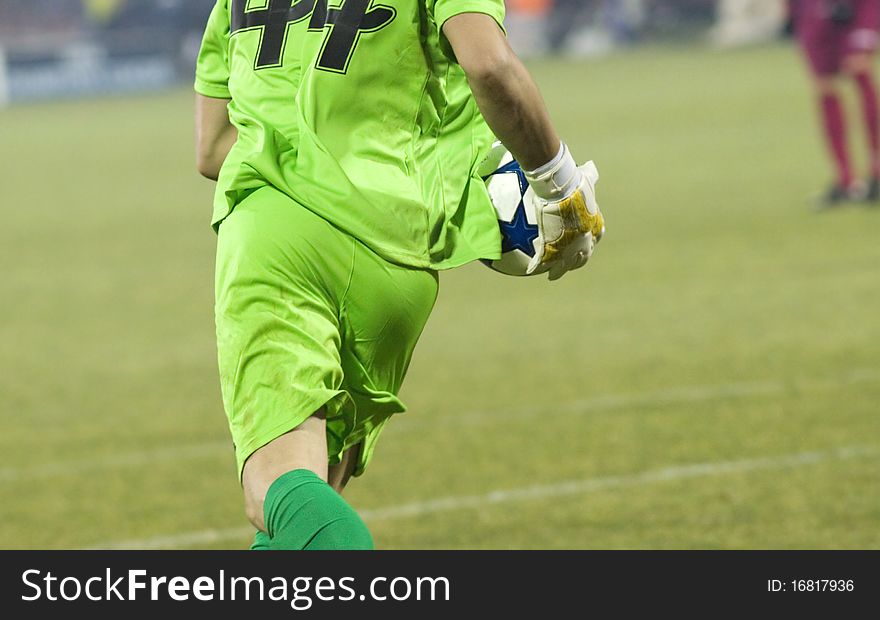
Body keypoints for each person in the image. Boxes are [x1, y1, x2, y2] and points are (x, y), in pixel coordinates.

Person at [194, 0, 605, 550]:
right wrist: (560, 184)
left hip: (279, 240)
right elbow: (487, 62)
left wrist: (303, 158)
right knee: (311, 505)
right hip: (399, 255)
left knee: (278, 483)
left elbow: (211, 148)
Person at [790, 0, 880, 206]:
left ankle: (876, 172)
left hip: (856, 9)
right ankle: (846, 181)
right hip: (813, 13)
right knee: (824, 87)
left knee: (860, 70)